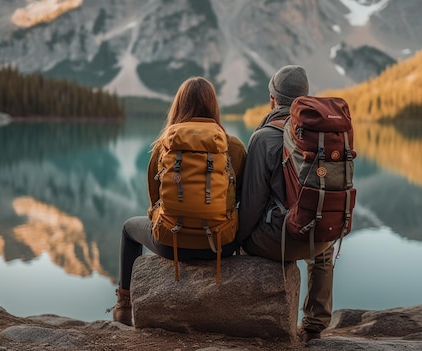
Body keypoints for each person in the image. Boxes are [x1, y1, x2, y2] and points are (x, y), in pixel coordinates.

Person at [110, 76, 247, 326]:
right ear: (213, 106)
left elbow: (154, 201)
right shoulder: (233, 146)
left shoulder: (164, 146)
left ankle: (123, 305)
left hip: (170, 243)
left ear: (178, 106)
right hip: (221, 246)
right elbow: (241, 199)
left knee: (128, 228)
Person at [236, 65, 335, 343]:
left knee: (244, 239)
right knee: (323, 248)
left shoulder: (263, 137)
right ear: (304, 98)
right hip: (321, 238)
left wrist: (236, 242)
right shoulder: (321, 135)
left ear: (272, 98)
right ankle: (315, 325)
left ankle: (252, 320)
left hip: (279, 240)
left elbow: (252, 207)